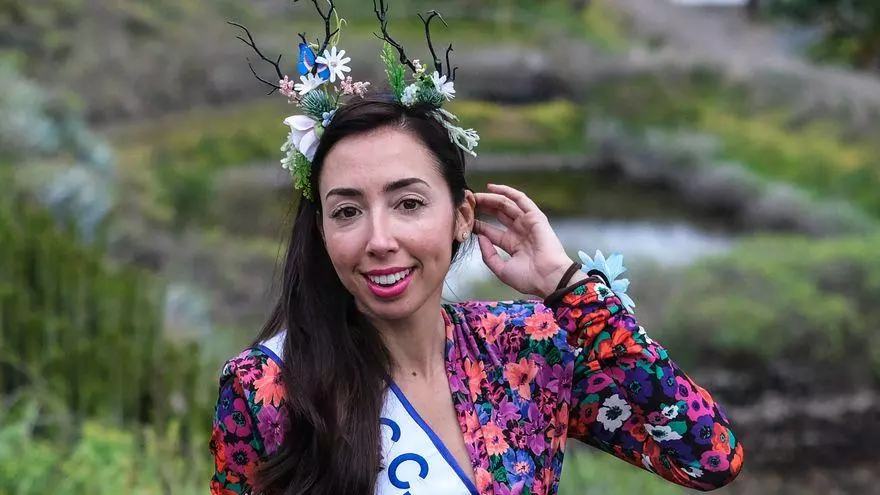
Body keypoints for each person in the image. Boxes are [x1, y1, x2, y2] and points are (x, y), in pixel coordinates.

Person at [211, 3, 743, 494]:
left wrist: (570, 287)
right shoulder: (269, 386)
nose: (379, 240)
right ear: (323, 232)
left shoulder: (526, 349)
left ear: (461, 216)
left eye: (409, 203)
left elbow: (707, 456)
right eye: (347, 211)